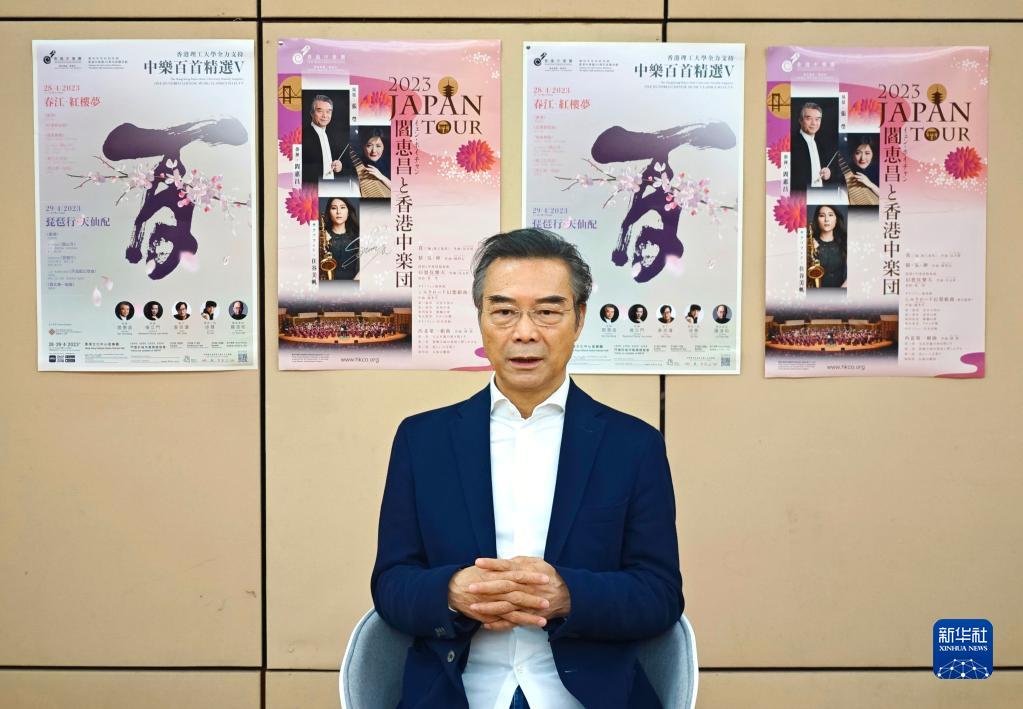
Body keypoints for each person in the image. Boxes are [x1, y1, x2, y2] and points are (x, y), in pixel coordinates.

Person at [372, 228, 683, 708]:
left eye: (547, 312)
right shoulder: (423, 440)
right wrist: (451, 592)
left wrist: (568, 595)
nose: (524, 332)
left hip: (585, 695)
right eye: (504, 311)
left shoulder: (633, 446)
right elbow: (391, 584)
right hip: (458, 692)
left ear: (579, 319)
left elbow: (660, 594)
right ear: (481, 319)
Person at [791, 101, 838, 190]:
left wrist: (828, 173)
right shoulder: (791, 143)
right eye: (809, 119)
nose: (814, 123)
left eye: (817, 119)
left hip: (820, 194)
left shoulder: (821, 143)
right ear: (800, 120)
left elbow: (830, 170)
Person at [301, 94, 347, 183]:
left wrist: (339, 167)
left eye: (328, 112)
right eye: (320, 111)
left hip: (331, 186)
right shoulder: (302, 136)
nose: (325, 116)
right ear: (311, 113)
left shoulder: (333, 135)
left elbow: (338, 162)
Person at [808, 205, 847, 288]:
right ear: (817, 219)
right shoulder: (809, 243)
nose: (826, 219)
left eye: (830, 215)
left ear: (836, 219)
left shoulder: (845, 241)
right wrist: (808, 250)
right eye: (822, 216)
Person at [321, 197, 359, 281]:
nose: (338, 212)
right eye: (334, 208)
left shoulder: (358, 236)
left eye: (342, 207)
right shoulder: (321, 236)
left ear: (348, 212)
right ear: (329, 212)